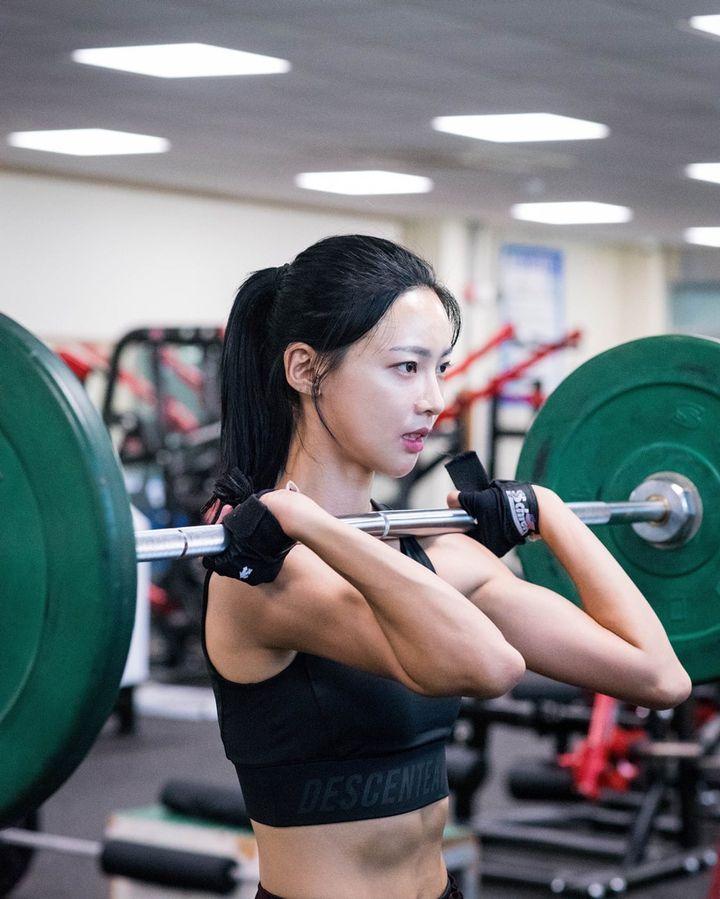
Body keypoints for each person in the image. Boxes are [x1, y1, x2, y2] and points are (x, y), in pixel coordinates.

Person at [200, 234, 691, 899]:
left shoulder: (435, 553)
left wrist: (548, 512)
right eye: (406, 367)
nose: (434, 398)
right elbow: (491, 665)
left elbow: (659, 676)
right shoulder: (267, 579)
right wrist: (303, 520)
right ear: (304, 367)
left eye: (441, 368)